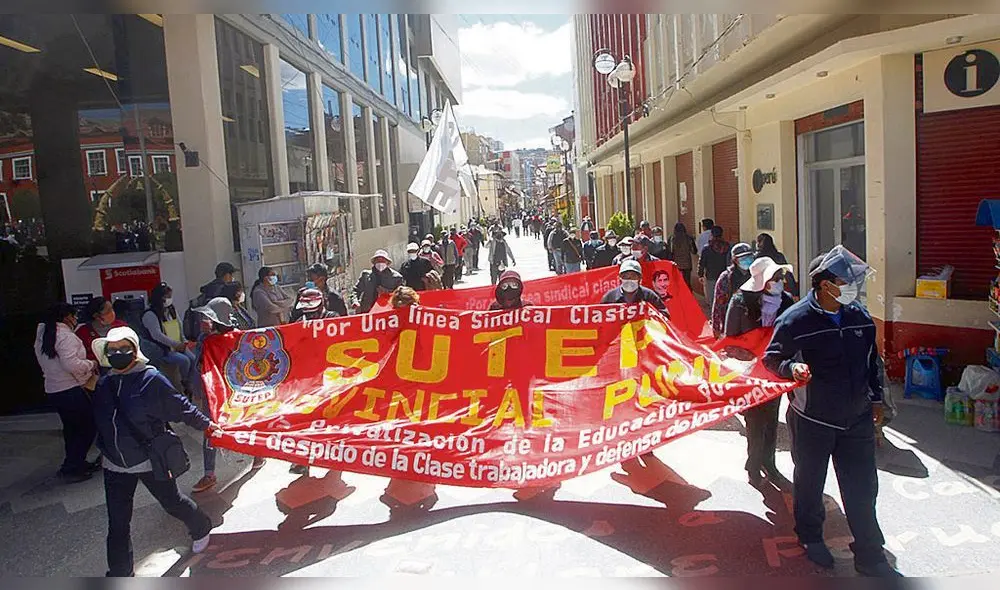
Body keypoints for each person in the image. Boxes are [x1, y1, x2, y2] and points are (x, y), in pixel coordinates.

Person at [762, 246, 899, 577]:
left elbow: (872, 362)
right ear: (825, 285)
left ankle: (869, 551)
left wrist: (876, 400)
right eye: (845, 281)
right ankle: (810, 536)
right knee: (810, 482)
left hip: (857, 418)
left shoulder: (859, 316)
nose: (852, 286)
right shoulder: (795, 319)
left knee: (863, 486)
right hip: (813, 418)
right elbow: (772, 358)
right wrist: (792, 368)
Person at [90, 326, 221, 576]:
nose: (118, 353)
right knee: (117, 524)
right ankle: (120, 573)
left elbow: (180, 406)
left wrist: (206, 425)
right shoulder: (104, 383)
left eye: (123, 348)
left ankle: (201, 526)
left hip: (149, 459)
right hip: (114, 465)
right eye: (112, 350)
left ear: (134, 350)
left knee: (172, 503)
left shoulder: (151, 379)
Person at [724, 257, 795, 489]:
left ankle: (769, 463)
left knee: (772, 418)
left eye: (780, 277)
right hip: (749, 371)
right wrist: (749, 356)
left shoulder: (786, 301)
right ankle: (753, 465)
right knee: (755, 420)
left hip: (775, 370)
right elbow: (730, 340)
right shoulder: (740, 302)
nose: (780, 282)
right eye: (775, 278)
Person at [380, 286, 439, 512]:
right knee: (402, 427)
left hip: (422, 384)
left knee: (421, 426)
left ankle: (422, 473)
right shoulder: (388, 324)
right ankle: (402, 470)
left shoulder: (428, 323)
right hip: (399, 386)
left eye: (408, 307)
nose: (404, 311)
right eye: (400, 307)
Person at [34, 303, 99, 483]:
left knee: (72, 429)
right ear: (67, 317)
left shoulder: (43, 335)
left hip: (54, 389)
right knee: (87, 427)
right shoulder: (65, 336)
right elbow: (71, 365)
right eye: (74, 315)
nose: (76, 319)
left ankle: (75, 463)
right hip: (70, 389)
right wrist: (91, 364)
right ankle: (72, 467)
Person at [142, 283, 198, 394]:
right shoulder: (150, 314)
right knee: (185, 361)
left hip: (178, 346)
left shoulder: (171, 310)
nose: (169, 299)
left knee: (193, 359)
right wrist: (175, 344)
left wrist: (184, 341)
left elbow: (179, 325)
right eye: (167, 296)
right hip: (164, 350)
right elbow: (157, 335)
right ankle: (184, 382)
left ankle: (189, 383)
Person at [710, 243, 754, 338]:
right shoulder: (726, 278)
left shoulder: (755, 274)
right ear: (735, 260)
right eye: (743, 258)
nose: (747, 260)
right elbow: (718, 304)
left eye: (749, 257)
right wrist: (716, 327)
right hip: (731, 322)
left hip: (752, 322)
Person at [600, 260, 668, 314]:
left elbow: (664, 316)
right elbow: (600, 319)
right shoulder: (609, 297)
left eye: (633, 276)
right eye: (625, 276)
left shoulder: (649, 296)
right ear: (620, 278)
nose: (629, 279)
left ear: (640, 278)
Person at [77, 297, 128, 365]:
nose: (112, 313)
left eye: (112, 309)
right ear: (96, 315)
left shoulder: (121, 326)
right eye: (108, 311)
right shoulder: (83, 332)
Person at [698, 226, 730, 308]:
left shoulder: (707, 248)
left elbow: (702, 263)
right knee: (724, 297)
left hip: (711, 276)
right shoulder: (727, 247)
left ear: (711, 235)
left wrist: (700, 274)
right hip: (725, 276)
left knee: (712, 298)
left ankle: (714, 314)